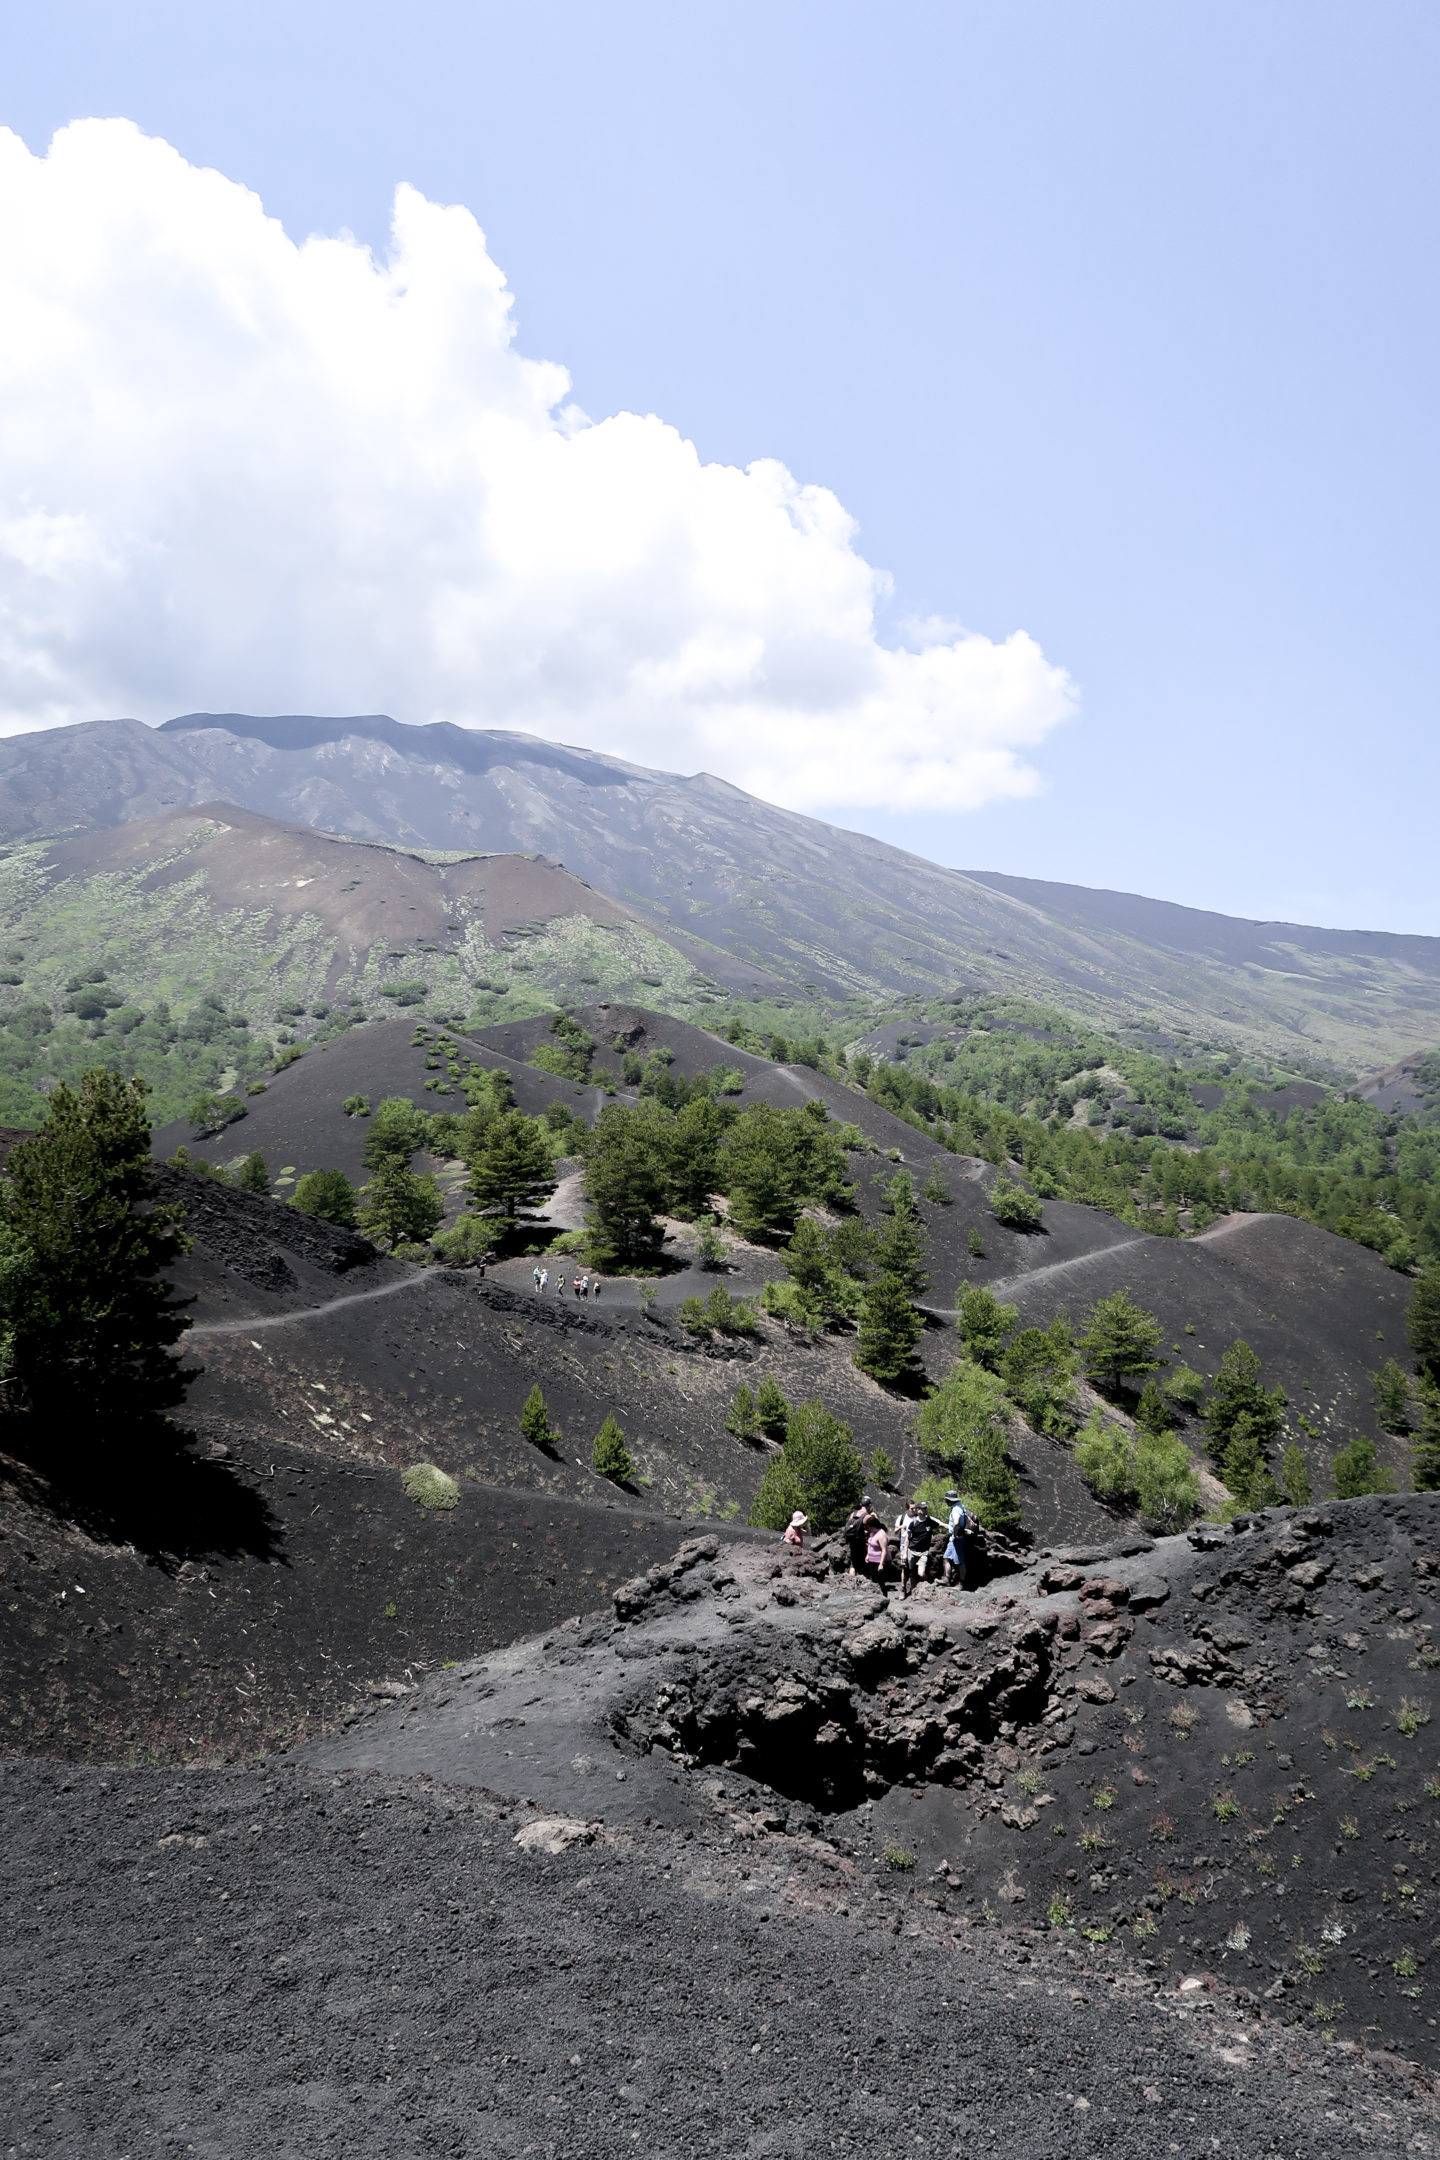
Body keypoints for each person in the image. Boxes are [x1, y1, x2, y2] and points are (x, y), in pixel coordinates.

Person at [898, 1498, 938, 1598]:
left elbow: (940, 1524)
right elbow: (907, 1538)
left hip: (923, 1552)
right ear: (918, 1510)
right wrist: (905, 1553)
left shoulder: (929, 1521)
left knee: (920, 1573)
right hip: (911, 1549)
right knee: (908, 1571)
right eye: (922, 1508)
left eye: (925, 1508)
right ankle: (907, 1590)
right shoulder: (912, 1522)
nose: (924, 1510)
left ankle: (928, 1585)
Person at [943, 1491, 970, 1589]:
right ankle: (947, 1579)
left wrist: (955, 1535)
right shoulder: (959, 1506)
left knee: (960, 1562)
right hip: (954, 1538)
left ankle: (961, 1584)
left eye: (947, 1500)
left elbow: (956, 1523)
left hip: (957, 1538)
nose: (946, 1501)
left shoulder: (955, 1510)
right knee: (946, 1558)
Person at [841, 1497, 871, 1576]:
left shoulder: (853, 1514)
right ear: (869, 1505)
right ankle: (865, 1584)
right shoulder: (867, 1517)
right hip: (862, 1543)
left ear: (861, 1504)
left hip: (852, 1541)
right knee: (865, 1564)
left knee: (853, 1564)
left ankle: (851, 1582)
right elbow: (871, 1529)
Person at [863, 1509, 889, 1586]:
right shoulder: (873, 1533)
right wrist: (868, 1555)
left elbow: (884, 1550)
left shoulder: (881, 1534)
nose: (868, 1529)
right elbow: (870, 1545)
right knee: (874, 1581)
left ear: (872, 1526)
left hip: (879, 1562)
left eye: (868, 1527)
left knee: (880, 1582)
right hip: (872, 1561)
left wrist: (881, 1564)